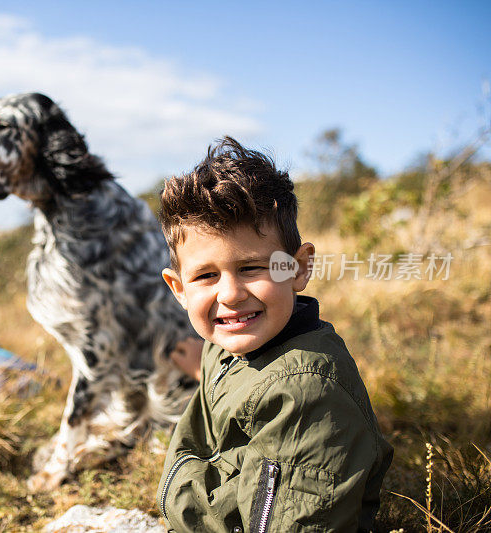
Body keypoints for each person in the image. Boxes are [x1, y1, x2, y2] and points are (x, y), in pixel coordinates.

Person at [156, 137, 393, 532]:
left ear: (297, 268)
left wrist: (181, 484)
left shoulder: (307, 394)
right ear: (179, 290)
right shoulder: (224, 347)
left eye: (251, 268)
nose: (230, 294)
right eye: (206, 276)